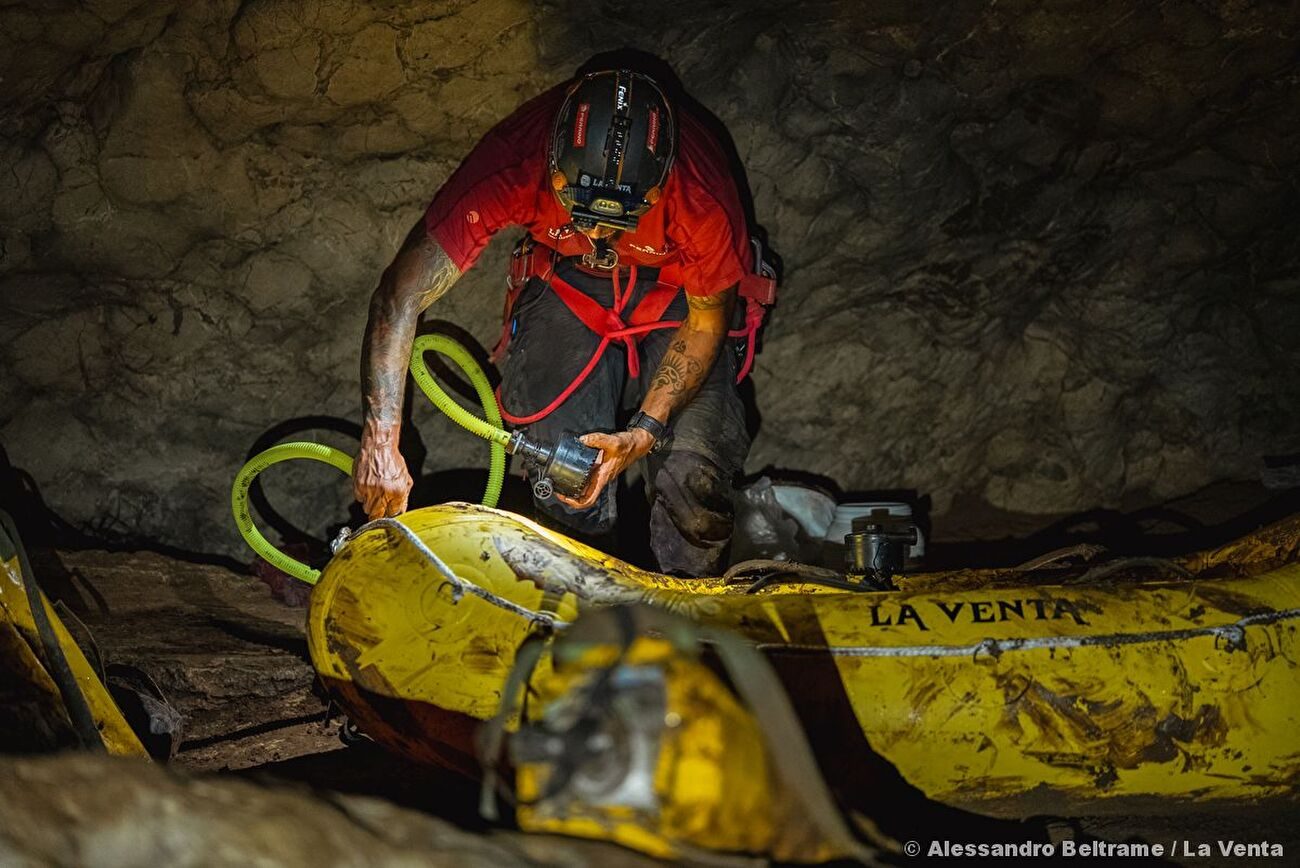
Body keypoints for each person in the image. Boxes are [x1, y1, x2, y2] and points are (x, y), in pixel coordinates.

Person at [353, 66, 769, 576]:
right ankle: (581, 604)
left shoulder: (700, 191)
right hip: (569, 279)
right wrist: (381, 439)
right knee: (564, 468)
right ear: (554, 165)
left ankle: (689, 617)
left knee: (694, 470)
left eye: (619, 217)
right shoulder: (515, 159)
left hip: (681, 294)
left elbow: (707, 323)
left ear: (659, 184)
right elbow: (401, 295)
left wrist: (642, 433)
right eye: (582, 210)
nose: (598, 229)